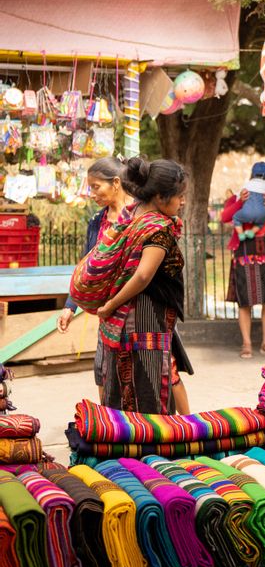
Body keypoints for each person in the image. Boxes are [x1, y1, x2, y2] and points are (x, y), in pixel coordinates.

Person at [58, 157, 192, 414]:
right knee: (148, 389)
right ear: (161, 197)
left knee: (120, 385)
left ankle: (120, 438)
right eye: (179, 196)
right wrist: (110, 305)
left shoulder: (130, 217)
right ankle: (150, 446)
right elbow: (142, 277)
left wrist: (111, 306)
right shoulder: (156, 229)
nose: (182, 202)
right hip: (143, 318)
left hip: (123, 320)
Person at [221, 161, 265, 359]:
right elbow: (225, 217)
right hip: (244, 253)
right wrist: (240, 201)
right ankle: (246, 344)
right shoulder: (238, 197)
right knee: (244, 301)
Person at [232, 161, 265, 240]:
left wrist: (241, 199)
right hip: (262, 213)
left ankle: (241, 235)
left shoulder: (247, 184)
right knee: (261, 223)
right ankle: (251, 232)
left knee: (236, 218)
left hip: (247, 212)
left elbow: (238, 198)